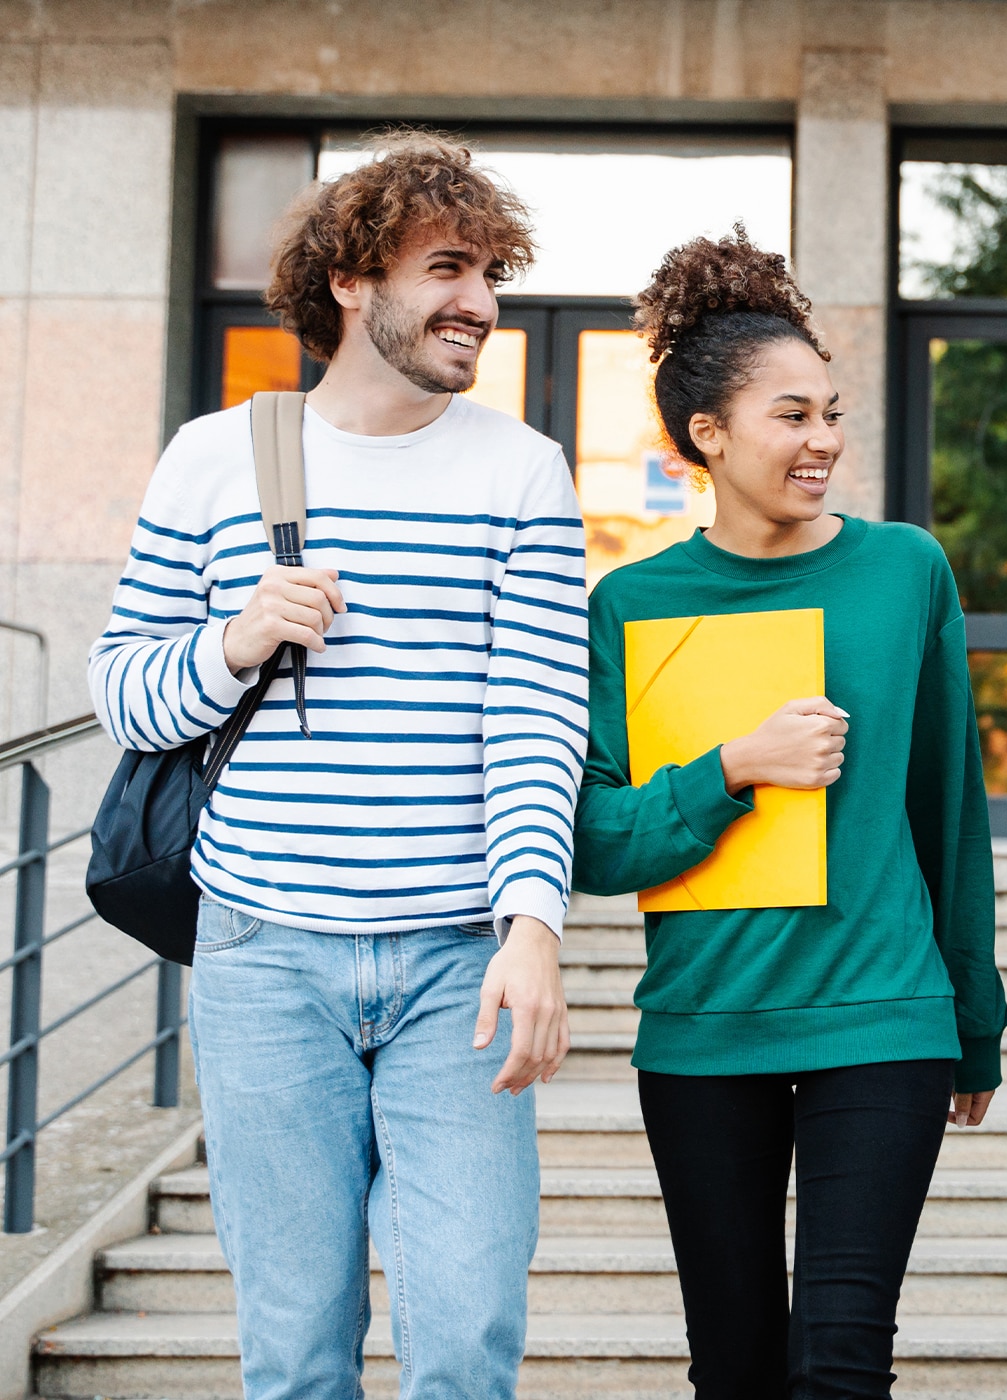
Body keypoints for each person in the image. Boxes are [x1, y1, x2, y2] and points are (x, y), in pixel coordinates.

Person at [88, 132, 582, 1398]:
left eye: (491, 272)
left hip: (456, 960)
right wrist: (236, 640)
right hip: (263, 956)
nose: (478, 301)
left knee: (467, 1336)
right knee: (296, 1349)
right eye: (447, 267)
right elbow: (122, 693)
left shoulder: (520, 472)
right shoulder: (212, 458)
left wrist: (533, 922)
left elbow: (535, 715)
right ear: (352, 281)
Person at [572, 228, 1007, 1398]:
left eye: (832, 412)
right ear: (707, 434)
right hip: (707, 1025)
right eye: (792, 416)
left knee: (842, 1363)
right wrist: (731, 765)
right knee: (736, 1365)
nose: (824, 441)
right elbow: (594, 839)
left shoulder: (904, 570)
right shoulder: (631, 601)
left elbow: (947, 811)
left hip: (883, 1018)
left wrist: (976, 1018)